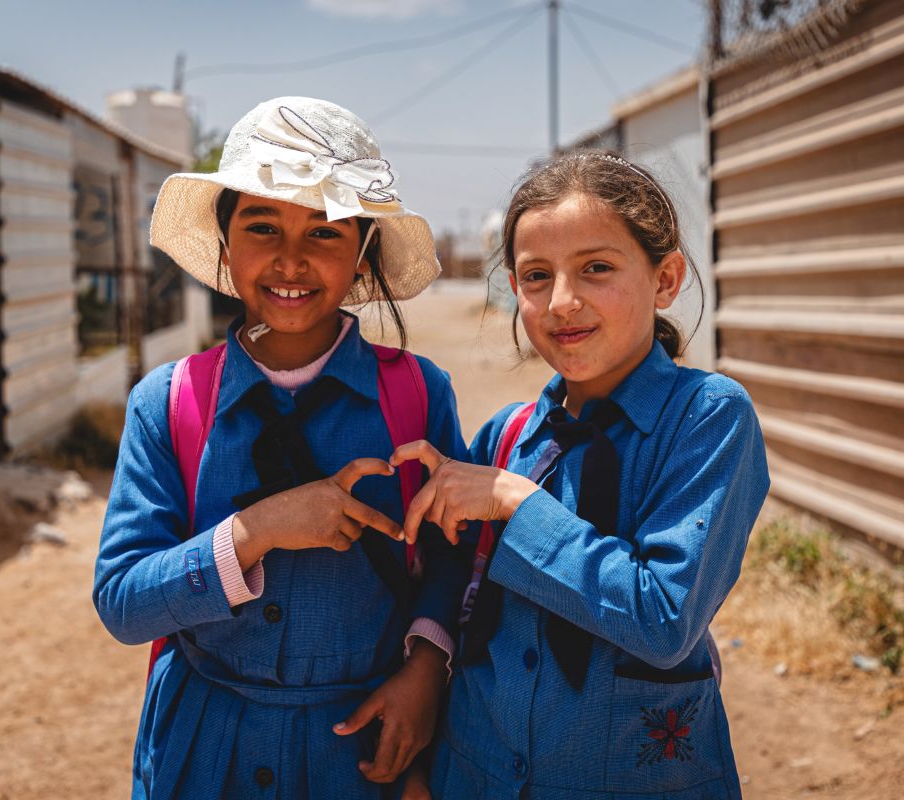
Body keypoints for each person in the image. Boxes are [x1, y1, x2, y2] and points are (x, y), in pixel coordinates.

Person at [93, 97, 469, 799]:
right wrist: (256, 532)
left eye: (324, 234)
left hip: (360, 752)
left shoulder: (418, 395)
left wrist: (425, 670)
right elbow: (122, 600)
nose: (290, 260)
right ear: (225, 243)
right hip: (205, 751)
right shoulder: (169, 403)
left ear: (362, 253)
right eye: (262, 226)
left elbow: (454, 563)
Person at [393, 151, 770, 799]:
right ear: (516, 290)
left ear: (667, 279)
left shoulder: (707, 420)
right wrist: (426, 676)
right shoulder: (506, 436)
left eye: (597, 268)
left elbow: (664, 620)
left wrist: (519, 503)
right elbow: (455, 583)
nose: (563, 302)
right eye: (538, 276)